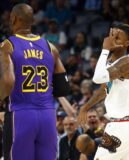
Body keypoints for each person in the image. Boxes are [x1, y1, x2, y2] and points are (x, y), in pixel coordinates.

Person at [0, 3, 70, 160]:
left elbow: (8, 81)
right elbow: (64, 88)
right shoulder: (50, 47)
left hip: (21, 114)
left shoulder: (8, 46)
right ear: (32, 21)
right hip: (47, 116)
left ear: (13, 19)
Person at [78, 23, 129, 160]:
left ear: (127, 43)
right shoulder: (110, 62)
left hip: (123, 127)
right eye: (112, 35)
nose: (112, 39)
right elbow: (104, 89)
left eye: (117, 37)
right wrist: (85, 107)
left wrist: (104, 49)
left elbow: (97, 78)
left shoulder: (128, 61)